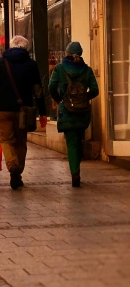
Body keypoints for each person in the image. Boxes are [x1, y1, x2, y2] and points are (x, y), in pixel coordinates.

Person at [0, 35, 47, 190]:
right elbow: (37, 90)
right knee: (21, 141)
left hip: (3, 109)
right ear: (26, 48)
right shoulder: (31, 64)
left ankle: (12, 166)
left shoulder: (1, 62)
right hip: (24, 111)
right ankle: (18, 171)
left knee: (6, 140)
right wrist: (43, 112)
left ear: (11, 46)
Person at [49, 42, 99, 188]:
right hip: (82, 112)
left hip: (66, 111)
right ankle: (77, 169)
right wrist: (83, 98)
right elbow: (95, 90)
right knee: (78, 139)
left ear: (67, 53)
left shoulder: (59, 69)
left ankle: (75, 173)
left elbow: (51, 87)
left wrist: (60, 99)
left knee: (71, 142)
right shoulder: (87, 70)